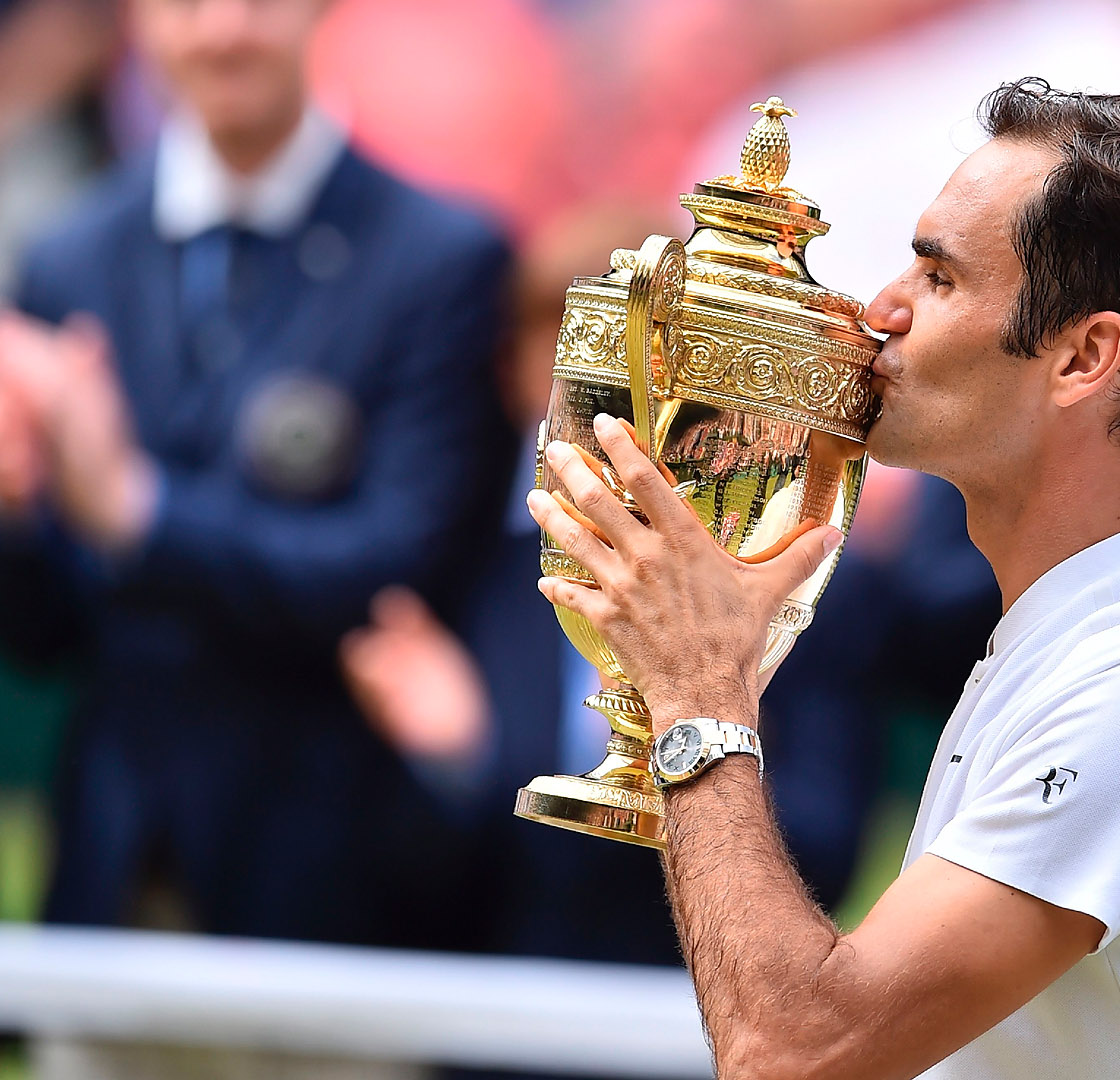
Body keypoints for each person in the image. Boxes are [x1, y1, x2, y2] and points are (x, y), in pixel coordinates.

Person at [527, 80, 1120, 1078]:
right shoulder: (1097, 636)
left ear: (1086, 356)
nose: (882, 308)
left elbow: (791, 1051)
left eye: (940, 277)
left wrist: (702, 694)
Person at [0, 0, 512, 945]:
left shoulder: (442, 257)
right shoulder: (70, 257)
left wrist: (136, 513)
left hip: (341, 901)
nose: (224, 28)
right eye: (187, 2)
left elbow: (395, 569)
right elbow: (42, 632)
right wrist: (22, 504)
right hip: (114, 888)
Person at [339, 203, 881, 965]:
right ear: (515, 372)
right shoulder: (454, 576)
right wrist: (453, 764)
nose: (616, 393)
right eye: (575, 354)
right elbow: (399, 882)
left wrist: (682, 725)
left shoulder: (799, 578)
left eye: (652, 359)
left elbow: (826, 857)